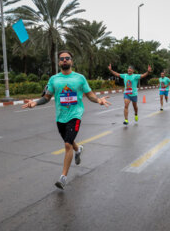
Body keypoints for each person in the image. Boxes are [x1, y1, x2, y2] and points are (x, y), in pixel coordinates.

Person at [22, 50, 111, 190]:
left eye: (67, 58)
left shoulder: (80, 78)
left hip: (75, 115)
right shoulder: (53, 79)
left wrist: (98, 100)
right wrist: (35, 103)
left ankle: (63, 177)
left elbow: (90, 95)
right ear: (58, 62)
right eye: (62, 58)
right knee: (68, 141)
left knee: (67, 145)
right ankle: (79, 148)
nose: (64, 60)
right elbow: (46, 97)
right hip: (60, 117)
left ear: (71, 61)